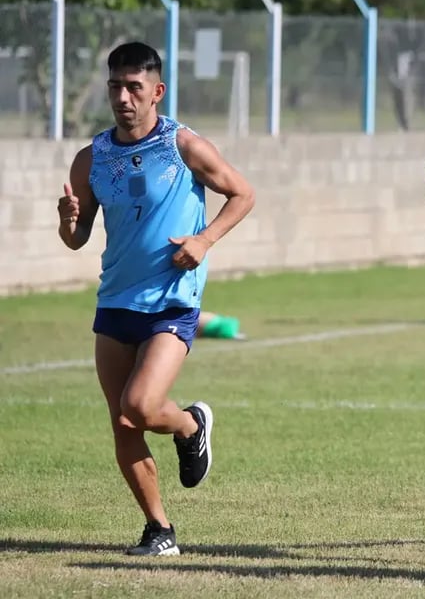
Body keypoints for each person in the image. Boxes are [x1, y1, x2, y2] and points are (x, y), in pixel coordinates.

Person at [57, 42, 255, 556]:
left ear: (156, 92)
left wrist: (204, 239)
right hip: (115, 303)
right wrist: (68, 220)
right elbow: (77, 239)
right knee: (122, 422)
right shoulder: (92, 158)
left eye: (134, 87)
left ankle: (190, 425)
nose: (123, 97)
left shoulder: (183, 145)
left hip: (171, 301)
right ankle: (159, 530)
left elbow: (243, 193)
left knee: (141, 405)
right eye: (115, 86)